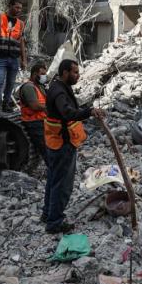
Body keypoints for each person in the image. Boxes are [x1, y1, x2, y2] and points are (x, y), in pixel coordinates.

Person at [42, 59, 104, 233]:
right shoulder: (59, 92)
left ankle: (48, 214)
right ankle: (54, 222)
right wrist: (89, 112)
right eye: (74, 72)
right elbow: (67, 112)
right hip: (62, 143)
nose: (78, 75)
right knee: (62, 184)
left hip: (55, 141)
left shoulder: (57, 86)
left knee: (54, 180)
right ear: (64, 73)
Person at [17, 62, 49, 165]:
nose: (44, 76)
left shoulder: (40, 86)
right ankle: (55, 173)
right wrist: (50, 108)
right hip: (34, 122)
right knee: (46, 150)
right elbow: (34, 106)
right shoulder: (28, 87)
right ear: (35, 74)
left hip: (42, 121)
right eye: (42, 74)